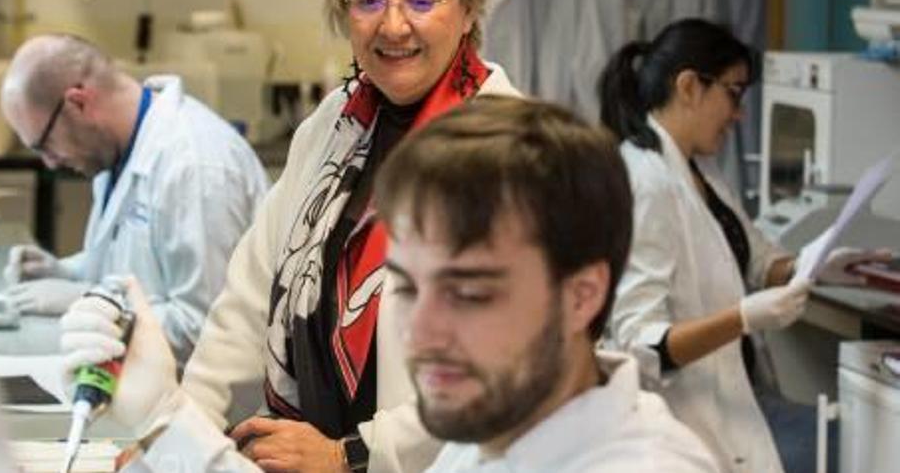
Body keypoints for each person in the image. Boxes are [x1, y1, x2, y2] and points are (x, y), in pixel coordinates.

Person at [55, 97, 720, 472]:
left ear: (583, 295)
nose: (422, 335)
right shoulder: (488, 431)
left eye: (469, 292)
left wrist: (170, 429)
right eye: (403, 287)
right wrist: (163, 419)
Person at [178, 0, 521, 471]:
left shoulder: (511, 152)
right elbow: (247, 297)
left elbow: (507, 363)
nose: (393, 24)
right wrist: (180, 433)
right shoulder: (333, 127)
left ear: (470, 6)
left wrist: (352, 455)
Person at [599, 18, 893, 472]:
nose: (739, 115)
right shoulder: (647, 183)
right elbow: (644, 346)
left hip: (740, 394)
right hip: (690, 414)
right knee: (857, 447)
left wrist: (815, 267)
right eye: (734, 94)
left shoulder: (700, 171)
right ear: (689, 86)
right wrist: (742, 318)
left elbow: (756, 261)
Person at [0, 34, 270, 366]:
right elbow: (138, 263)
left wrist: (94, 301)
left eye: (45, 144)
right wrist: (66, 271)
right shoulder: (116, 152)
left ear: (78, 103)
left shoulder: (195, 167)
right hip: (146, 387)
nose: (50, 163)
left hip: (210, 407)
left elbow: (203, 328)